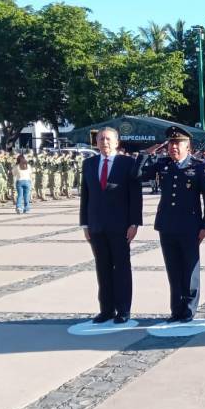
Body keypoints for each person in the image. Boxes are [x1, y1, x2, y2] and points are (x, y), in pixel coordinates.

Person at [139, 126, 205, 323]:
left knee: (190, 268)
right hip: (166, 225)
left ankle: (189, 309)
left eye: (177, 143)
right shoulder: (163, 164)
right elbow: (139, 176)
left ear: (187, 147)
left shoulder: (198, 166)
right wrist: (146, 154)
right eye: (171, 143)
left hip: (190, 226)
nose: (173, 147)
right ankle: (176, 308)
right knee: (173, 268)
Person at [80, 127, 143, 324]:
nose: (104, 142)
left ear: (116, 142)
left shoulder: (127, 163)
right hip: (96, 226)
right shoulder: (89, 164)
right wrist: (84, 224)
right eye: (100, 139)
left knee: (122, 268)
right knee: (102, 268)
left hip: (120, 225)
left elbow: (135, 196)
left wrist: (134, 223)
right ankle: (106, 309)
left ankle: (123, 310)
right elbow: (86, 195)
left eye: (108, 139)